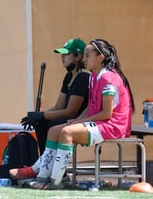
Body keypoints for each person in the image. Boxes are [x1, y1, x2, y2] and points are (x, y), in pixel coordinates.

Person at [27, 39, 134, 189]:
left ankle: (56, 182)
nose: (84, 59)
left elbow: (106, 113)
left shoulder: (109, 78)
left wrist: (80, 122)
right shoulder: (93, 77)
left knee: (66, 132)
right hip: (101, 122)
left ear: (100, 57)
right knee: (53, 131)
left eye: (88, 55)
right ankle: (42, 177)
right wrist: (77, 120)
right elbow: (90, 107)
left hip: (113, 126)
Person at [11, 38, 89, 180]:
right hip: (70, 118)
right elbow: (59, 106)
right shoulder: (69, 76)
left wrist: (43, 116)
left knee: (51, 123)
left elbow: (71, 111)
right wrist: (40, 115)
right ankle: (44, 166)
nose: (62, 57)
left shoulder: (83, 77)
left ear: (77, 57)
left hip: (80, 120)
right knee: (42, 123)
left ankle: (57, 172)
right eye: (61, 54)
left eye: (66, 54)